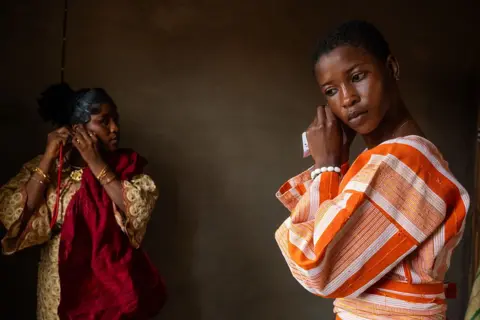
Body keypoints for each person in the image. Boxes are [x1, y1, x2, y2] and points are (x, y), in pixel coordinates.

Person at [274, 20, 469, 319]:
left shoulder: (403, 162)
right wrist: (336, 162)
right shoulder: (382, 161)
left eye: (357, 76)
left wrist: (325, 167)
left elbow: (317, 269)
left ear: (392, 68)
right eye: (331, 91)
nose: (347, 98)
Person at [0, 83, 166, 319]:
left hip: (109, 290)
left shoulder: (126, 168)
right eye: (104, 121)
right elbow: (13, 214)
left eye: (116, 120)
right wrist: (48, 158)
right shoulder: (54, 168)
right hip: (58, 282)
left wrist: (96, 162)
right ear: (78, 129)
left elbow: (135, 210)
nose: (115, 128)